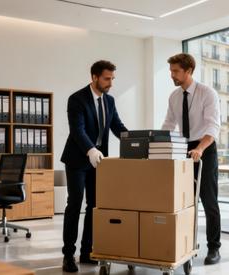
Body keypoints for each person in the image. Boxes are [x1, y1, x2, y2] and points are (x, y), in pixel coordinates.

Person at [60, 60, 128, 272]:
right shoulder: (77, 99)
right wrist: (90, 149)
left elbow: (117, 126)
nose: (110, 83)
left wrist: (136, 140)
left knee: (94, 205)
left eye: (112, 79)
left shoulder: (109, 101)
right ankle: (68, 255)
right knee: (75, 203)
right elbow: (77, 130)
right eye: (107, 79)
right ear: (95, 77)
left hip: (100, 161)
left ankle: (87, 251)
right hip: (78, 159)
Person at [161, 53, 221, 264]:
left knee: (209, 201)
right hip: (183, 149)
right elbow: (168, 125)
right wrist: (157, 146)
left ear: (188, 71)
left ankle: (214, 248)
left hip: (205, 147)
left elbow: (213, 126)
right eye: (171, 71)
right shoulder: (174, 96)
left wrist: (200, 149)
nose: (172, 75)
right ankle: (187, 244)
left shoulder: (207, 93)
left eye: (175, 71)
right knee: (185, 202)